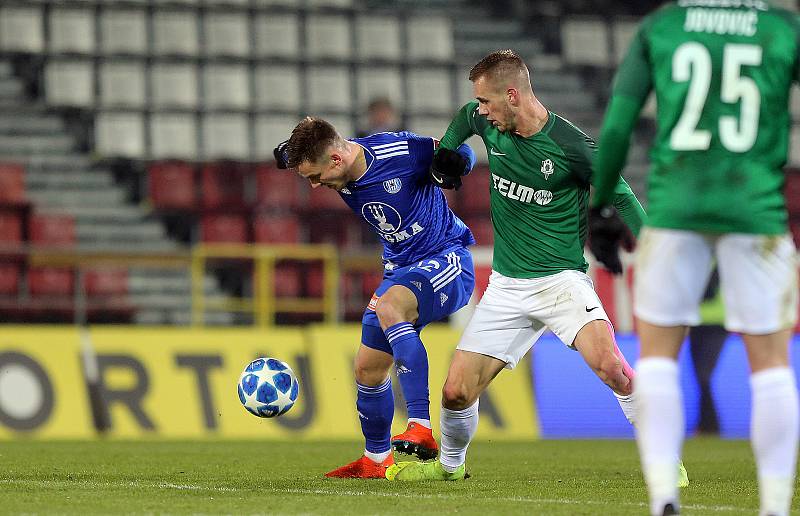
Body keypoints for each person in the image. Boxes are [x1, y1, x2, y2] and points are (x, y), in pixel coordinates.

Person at [385, 49, 690, 485]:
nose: (481, 111)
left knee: (615, 370)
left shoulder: (572, 147)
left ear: (513, 95)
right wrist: (448, 151)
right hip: (506, 287)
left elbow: (620, 195)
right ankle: (449, 468)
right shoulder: (486, 121)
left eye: (488, 102)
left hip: (562, 284)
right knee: (455, 392)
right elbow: (464, 117)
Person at [589, 2, 800, 515]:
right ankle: (774, 507)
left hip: (674, 208)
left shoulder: (662, 25)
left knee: (658, 356)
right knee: (771, 366)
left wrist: (598, 208)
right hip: (756, 209)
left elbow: (615, 129)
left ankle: (664, 498)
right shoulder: (782, 27)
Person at [274, 117, 477, 478]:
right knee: (367, 368)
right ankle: (376, 459)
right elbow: (301, 146)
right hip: (399, 270)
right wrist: (288, 150)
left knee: (389, 306)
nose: (316, 185)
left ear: (336, 160)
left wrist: (456, 161)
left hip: (446, 259)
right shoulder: (334, 159)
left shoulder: (398, 151)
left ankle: (421, 427)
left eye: (316, 176)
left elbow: (461, 152)